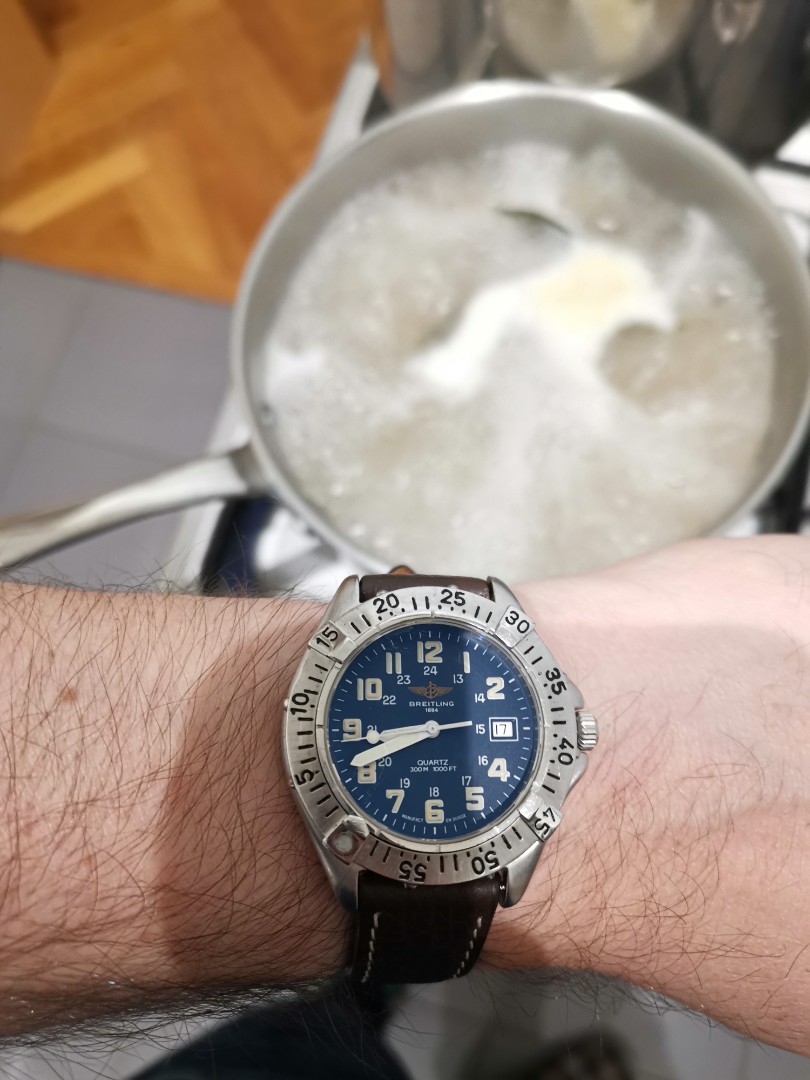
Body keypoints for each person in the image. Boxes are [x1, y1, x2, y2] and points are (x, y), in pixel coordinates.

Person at [0, 535, 807, 1064]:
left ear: (568, 731)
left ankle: (374, 980)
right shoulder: (336, 718)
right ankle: (375, 983)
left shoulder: (528, 723)